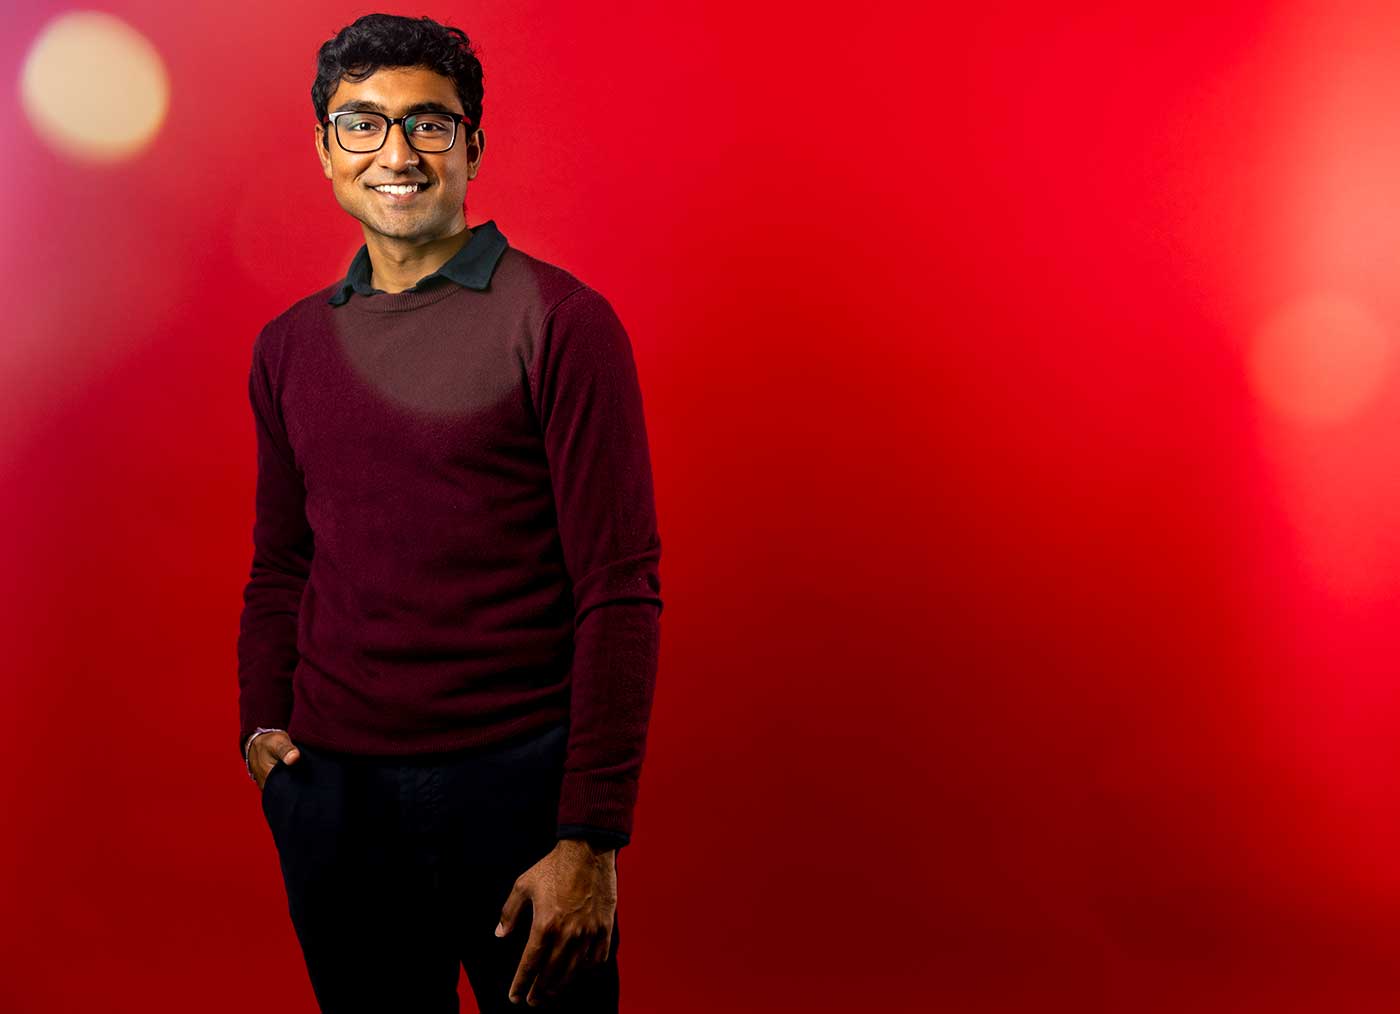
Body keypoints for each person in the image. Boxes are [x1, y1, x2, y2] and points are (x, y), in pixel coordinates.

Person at [235, 14, 663, 1013]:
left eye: (429, 123)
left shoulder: (560, 323)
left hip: (517, 797)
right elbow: (281, 562)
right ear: (324, 149)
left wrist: (589, 838)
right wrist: (262, 728)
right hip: (334, 803)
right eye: (362, 124)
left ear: (472, 144)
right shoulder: (289, 346)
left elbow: (618, 589)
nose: (396, 151)